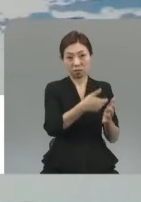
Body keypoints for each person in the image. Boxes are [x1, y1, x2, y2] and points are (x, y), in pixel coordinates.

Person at [41, 30, 120, 174]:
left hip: (97, 159)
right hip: (61, 161)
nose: (76, 63)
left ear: (91, 56)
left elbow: (113, 138)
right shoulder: (54, 88)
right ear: (62, 59)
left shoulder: (103, 88)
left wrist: (108, 121)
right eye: (69, 57)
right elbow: (52, 128)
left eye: (82, 55)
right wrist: (82, 107)